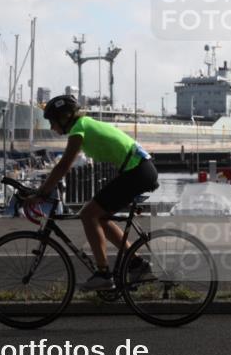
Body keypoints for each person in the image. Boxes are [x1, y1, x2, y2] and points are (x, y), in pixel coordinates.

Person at [22, 94, 158, 291]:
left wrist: (41, 193)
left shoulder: (79, 129)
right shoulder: (84, 124)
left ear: (64, 117)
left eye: (52, 121)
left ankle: (103, 274)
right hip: (139, 170)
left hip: (138, 171)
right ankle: (136, 264)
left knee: (88, 214)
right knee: (99, 217)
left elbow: (63, 167)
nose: (51, 127)